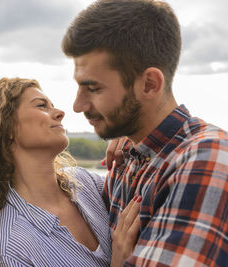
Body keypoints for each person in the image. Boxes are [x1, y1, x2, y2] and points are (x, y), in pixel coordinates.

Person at [61, 0, 228, 265]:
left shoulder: (206, 158)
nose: (77, 105)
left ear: (149, 85)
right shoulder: (126, 158)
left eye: (93, 88)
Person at [0, 77, 140, 267]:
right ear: (6, 130)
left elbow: (150, 181)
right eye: (41, 105)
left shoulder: (84, 181)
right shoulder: (11, 250)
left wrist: (133, 139)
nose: (60, 112)